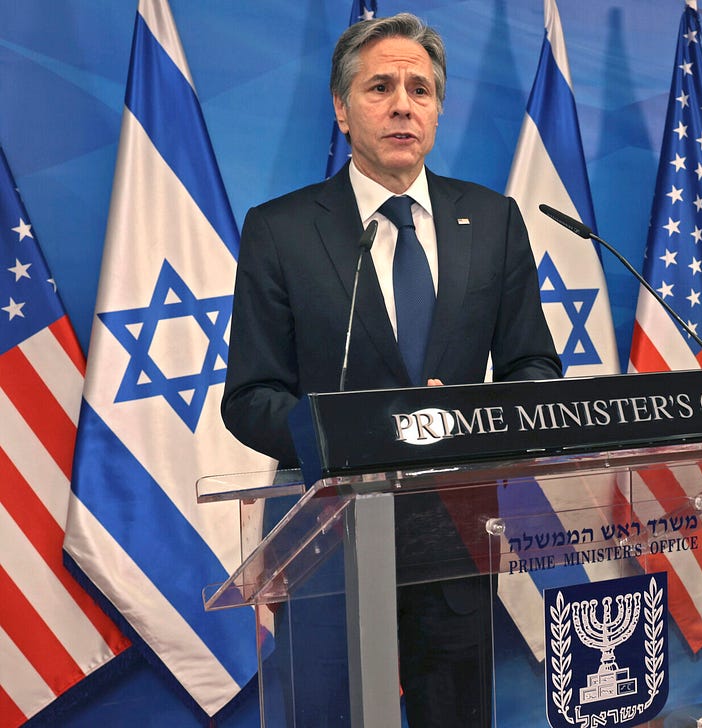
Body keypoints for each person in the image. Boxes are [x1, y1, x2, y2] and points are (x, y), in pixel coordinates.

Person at [222, 12, 560, 727]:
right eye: (380, 88)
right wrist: (357, 433)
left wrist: (471, 420)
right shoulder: (281, 230)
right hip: (326, 539)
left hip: (454, 534)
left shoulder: (493, 220)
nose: (403, 105)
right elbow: (250, 396)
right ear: (342, 110)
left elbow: (534, 368)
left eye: (420, 89)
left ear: (437, 111)